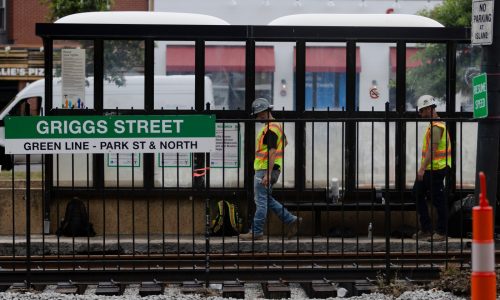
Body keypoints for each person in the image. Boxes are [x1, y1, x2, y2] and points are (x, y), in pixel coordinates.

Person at [240, 98, 302, 241]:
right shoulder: (276, 126)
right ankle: (291, 220)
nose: (258, 117)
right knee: (266, 199)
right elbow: (284, 143)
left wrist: (267, 173)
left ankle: (256, 232)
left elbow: (272, 152)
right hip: (273, 169)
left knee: (260, 202)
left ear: (265, 111)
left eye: (259, 114)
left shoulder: (270, 129)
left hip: (265, 170)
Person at [412, 95, 452, 242]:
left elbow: (432, 150)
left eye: (422, 111)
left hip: (436, 168)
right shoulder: (433, 125)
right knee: (417, 193)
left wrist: (421, 169)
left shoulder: (437, 127)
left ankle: (441, 232)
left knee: (438, 200)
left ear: (429, 108)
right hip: (430, 168)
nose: (421, 114)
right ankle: (426, 228)